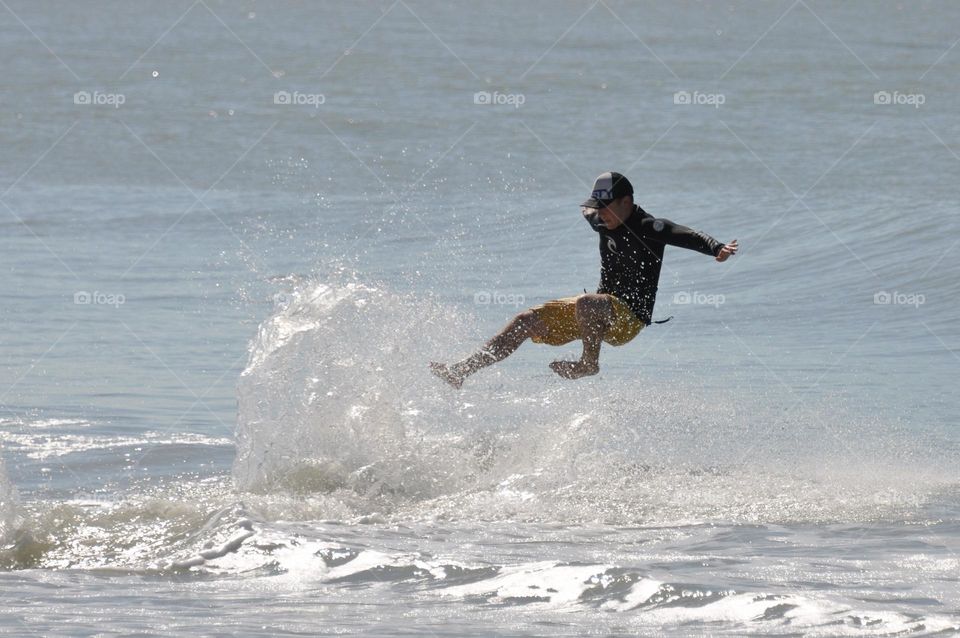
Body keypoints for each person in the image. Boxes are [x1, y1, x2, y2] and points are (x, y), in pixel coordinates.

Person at [430, 172, 738, 389]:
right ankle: (460, 372)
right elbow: (586, 211)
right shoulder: (601, 220)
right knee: (525, 320)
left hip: (628, 318)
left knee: (589, 302)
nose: (599, 214)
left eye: (605, 208)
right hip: (596, 313)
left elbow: (683, 233)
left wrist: (716, 248)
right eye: (597, 207)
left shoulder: (648, 226)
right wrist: (591, 208)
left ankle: (588, 364)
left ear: (627, 202)